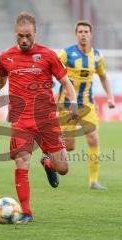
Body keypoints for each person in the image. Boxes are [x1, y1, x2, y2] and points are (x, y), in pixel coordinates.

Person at [0, 12, 78, 223]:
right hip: (20, 119)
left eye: (28, 36)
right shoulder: (6, 57)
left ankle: (48, 162)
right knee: (21, 162)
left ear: (35, 33)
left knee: (63, 169)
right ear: (15, 34)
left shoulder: (48, 55)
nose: (24, 40)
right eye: (20, 36)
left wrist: (73, 104)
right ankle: (26, 213)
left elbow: (66, 82)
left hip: (46, 118)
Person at [57, 20, 115, 190]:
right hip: (66, 105)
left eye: (86, 31)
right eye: (80, 31)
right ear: (76, 34)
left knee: (93, 138)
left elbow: (103, 76)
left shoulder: (97, 56)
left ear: (91, 34)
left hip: (88, 105)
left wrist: (110, 97)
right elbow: (52, 71)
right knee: (69, 146)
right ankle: (50, 158)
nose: (83, 34)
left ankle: (93, 181)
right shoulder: (65, 54)